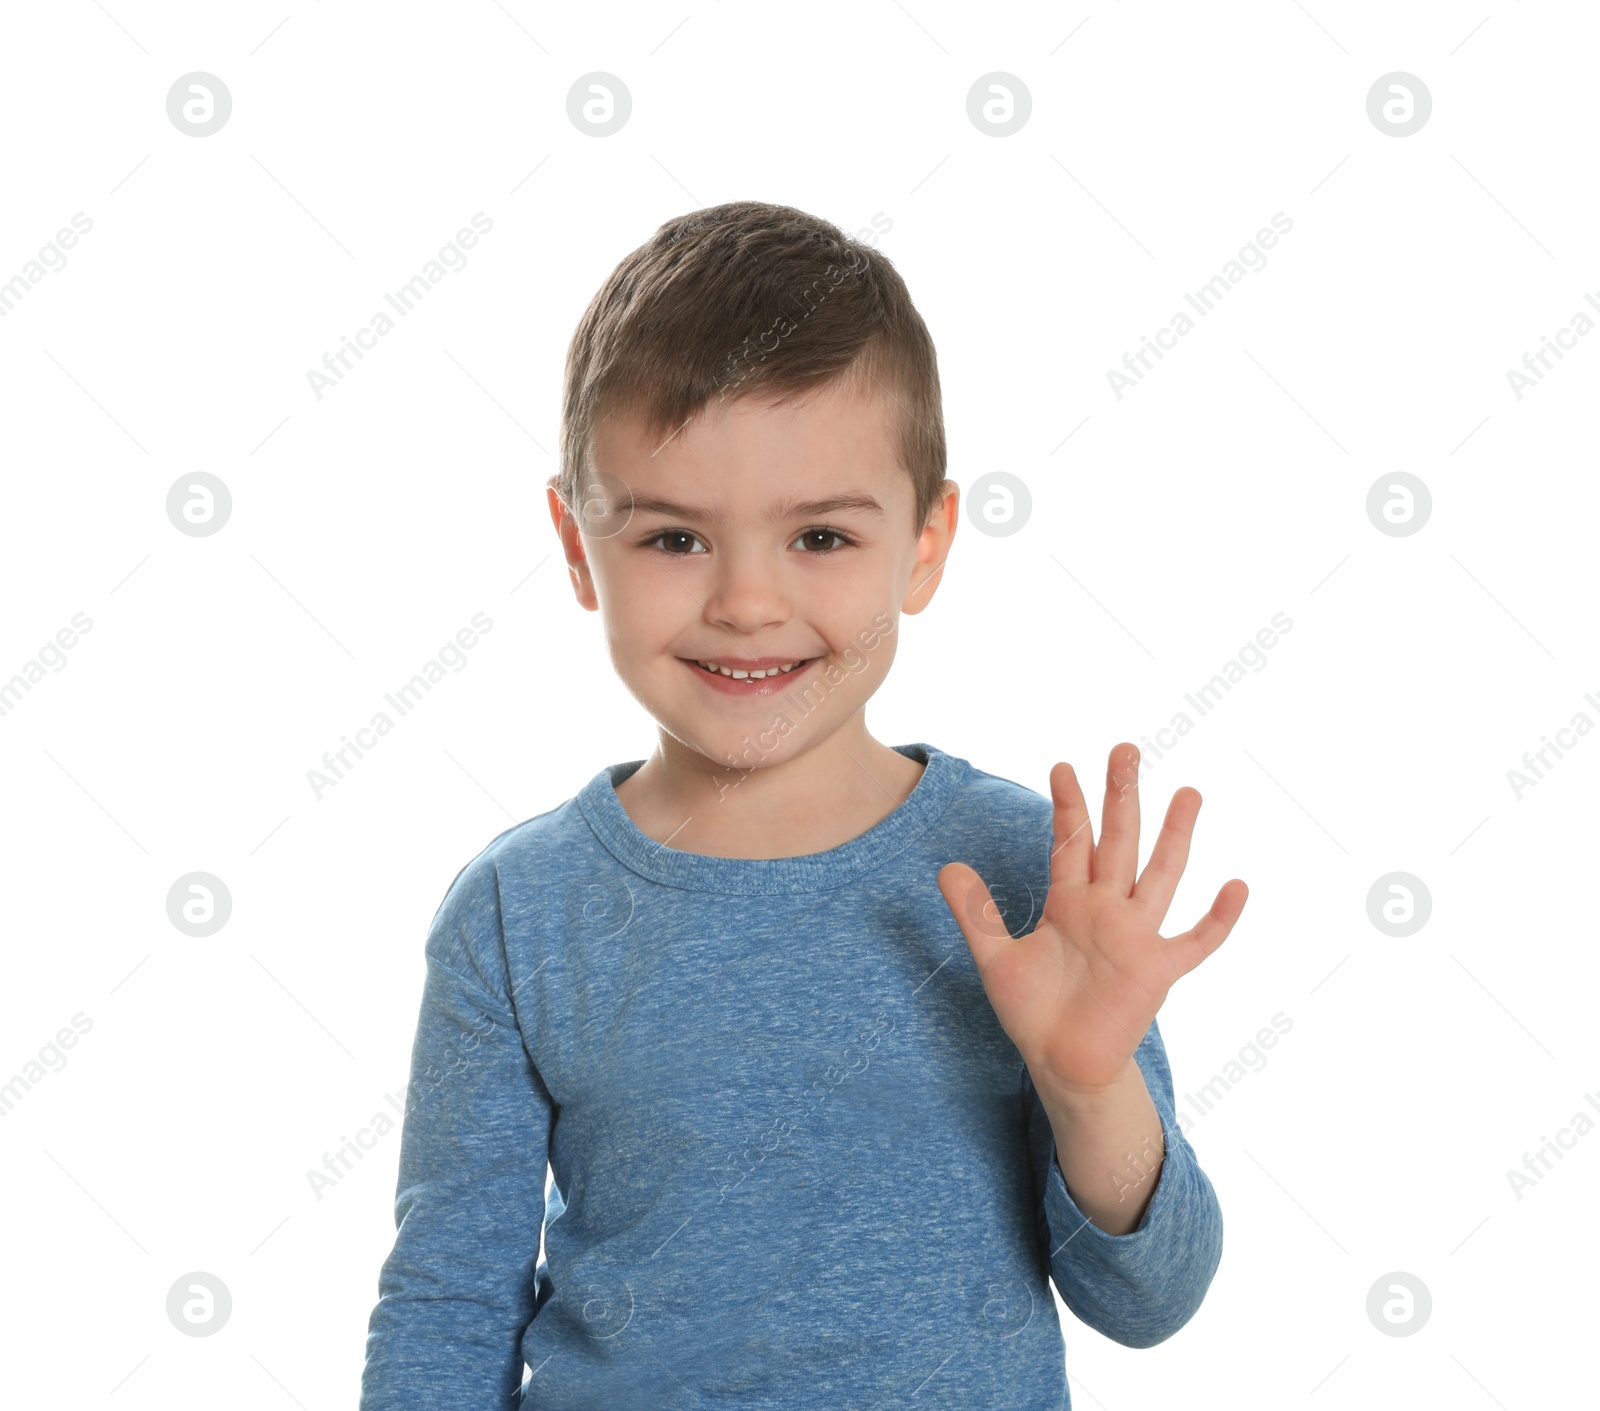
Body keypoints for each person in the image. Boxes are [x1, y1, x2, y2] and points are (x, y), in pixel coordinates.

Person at [359, 200, 1248, 1409]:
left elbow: (1147, 1301)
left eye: (820, 535)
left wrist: (1091, 1083)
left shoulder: (1024, 874)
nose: (746, 602)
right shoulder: (519, 914)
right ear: (577, 543)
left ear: (926, 543)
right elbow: (448, 1310)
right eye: (674, 538)